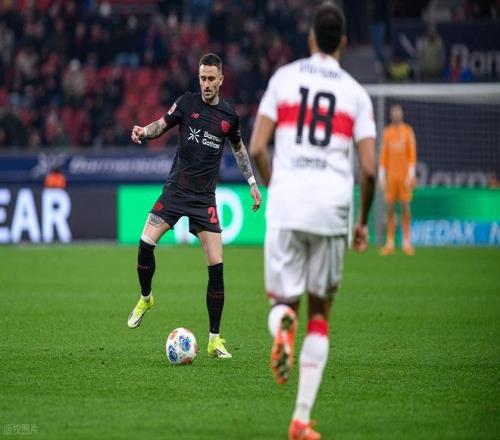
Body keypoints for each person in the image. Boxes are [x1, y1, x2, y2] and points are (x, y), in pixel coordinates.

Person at [250, 4, 376, 439]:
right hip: (332, 208)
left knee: (283, 303)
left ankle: (283, 326)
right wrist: (362, 222)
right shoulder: (355, 93)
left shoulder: (283, 80)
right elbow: (370, 170)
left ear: (310, 39)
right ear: (343, 42)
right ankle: (301, 420)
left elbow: (258, 147)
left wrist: (276, 188)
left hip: (288, 203)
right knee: (319, 315)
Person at [128, 53, 262, 359]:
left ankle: (214, 340)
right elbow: (160, 125)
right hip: (176, 190)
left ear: (221, 80)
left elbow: (239, 149)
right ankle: (146, 298)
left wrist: (252, 183)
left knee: (216, 267)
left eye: (211, 78)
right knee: (146, 242)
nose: (206, 84)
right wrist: (143, 132)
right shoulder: (186, 103)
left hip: (204, 199)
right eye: (202, 78)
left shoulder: (229, 116)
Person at [378, 104, 417, 256]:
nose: (396, 115)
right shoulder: (387, 132)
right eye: (393, 113)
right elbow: (383, 156)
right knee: (390, 208)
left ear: (402, 114)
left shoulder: (408, 131)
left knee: (406, 207)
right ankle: (390, 242)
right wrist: (381, 176)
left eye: (398, 113)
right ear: (391, 115)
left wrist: (411, 175)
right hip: (391, 177)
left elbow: (412, 154)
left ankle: (407, 242)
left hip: (404, 177)